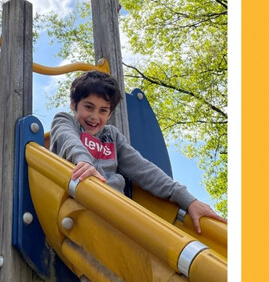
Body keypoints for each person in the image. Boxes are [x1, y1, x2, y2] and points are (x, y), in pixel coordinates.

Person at [50, 70, 226, 234]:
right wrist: (84, 162)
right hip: (77, 202)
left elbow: (142, 168)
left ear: (110, 114)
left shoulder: (112, 136)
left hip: (114, 207)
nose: (95, 116)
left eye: (103, 110)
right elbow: (69, 140)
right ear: (74, 104)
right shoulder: (65, 121)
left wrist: (188, 199)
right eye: (89, 107)